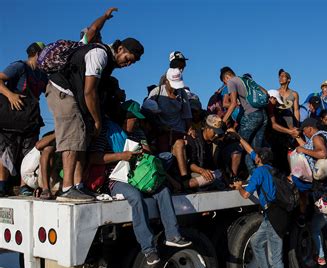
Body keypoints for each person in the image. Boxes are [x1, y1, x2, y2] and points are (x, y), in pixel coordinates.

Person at [89, 101, 191, 265]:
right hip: (116, 180)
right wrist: (121, 156)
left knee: (163, 190)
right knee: (136, 198)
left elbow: (149, 152)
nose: (137, 122)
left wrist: (144, 152)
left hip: (140, 176)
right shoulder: (107, 133)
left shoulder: (138, 133)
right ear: (125, 118)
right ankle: (148, 249)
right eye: (134, 119)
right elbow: (94, 158)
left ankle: (173, 235)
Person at [46, 37, 144, 202]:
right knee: (72, 140)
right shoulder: (99, 54)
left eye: (131, 63)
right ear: (120, 49)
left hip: (75, 97)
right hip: (63, 92)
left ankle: (78, 186)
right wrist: (97, 120)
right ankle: (67, 188)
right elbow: (89, 92)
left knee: (81, 141)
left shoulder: (108, 64)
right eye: (128, 59)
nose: (127, 64)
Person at [231, 135, 293, 268]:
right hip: (273, 215)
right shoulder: (273, 170)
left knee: (277, 261)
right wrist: (239, 137)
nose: (253, 156)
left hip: (273, 217)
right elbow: (251, 151)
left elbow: (245, 195)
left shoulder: (259, 172)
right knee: (256, 241)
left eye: (256, 155)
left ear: (259, 159)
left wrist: (239, 187)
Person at [0, 42, 48, 196]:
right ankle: (2, 185)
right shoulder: (19, 67)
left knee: (28, 153)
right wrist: (10, 95)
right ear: (36, 53)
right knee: (7, 152)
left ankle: (24, 186)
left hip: (30, 118)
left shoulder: (42, 74)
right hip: (12, 118)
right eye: (44, 53)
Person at [144, 68, 194, 185]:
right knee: (166, 157)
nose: (175, 88)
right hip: (162, 132)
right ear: (166, 81)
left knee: (181, 145)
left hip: (179, 130)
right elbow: (147, 113)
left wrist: (189, 130)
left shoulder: (182, 94)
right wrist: (159, 126)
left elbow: (187, 115)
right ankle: (168, 181)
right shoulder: (156, 92)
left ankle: (184, 178)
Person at [220, 67, 268, 175]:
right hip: (263, 115)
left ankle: (250, 175)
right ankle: (262, 174)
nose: (226, 85)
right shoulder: (247, 80)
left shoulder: (232, 81)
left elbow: (232, 104)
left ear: (226, 77)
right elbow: (265, 93)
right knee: (256, 149)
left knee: (242, 145)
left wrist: (222, 122)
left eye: (225, 82)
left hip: (251, 116)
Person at [293, 118, 327, 226]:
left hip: (315, 177)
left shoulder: (317, 137)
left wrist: (303, 150)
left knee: (300, 189)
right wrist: (298, 138)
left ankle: (303, 215)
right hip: (316, 176)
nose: (304, 133)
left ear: (309, 128)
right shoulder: (317, 137)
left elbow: (323, 154)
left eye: (304, 130)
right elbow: (307, 147)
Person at [185, 115, 226, 189]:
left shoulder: (216, 142)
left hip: (212, 173)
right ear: (207, 128)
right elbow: (190, 163)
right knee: (191, 183)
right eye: (215, 132)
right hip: (197, 172)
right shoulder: (194, 138)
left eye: (218, 132)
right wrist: (202, 171)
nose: (216, 135)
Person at [266, 89, 300, 173]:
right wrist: (290, 131)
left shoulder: (272, 108)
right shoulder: (269, 107)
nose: (277, 104)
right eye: (276, 101)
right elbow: (274, 125)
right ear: (272, 98)